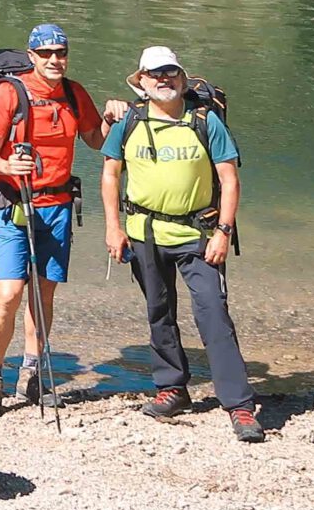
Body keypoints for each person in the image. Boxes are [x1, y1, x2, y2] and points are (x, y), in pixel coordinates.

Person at [102, 46, 263, 443]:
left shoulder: (205, 122)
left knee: (213, 315)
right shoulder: (131, 121)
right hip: (144, 233)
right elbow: (110, 174)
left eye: (171, 73)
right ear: (141, 80)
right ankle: (172, 388)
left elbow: (229, 180)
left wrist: (224, 231)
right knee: (159, 312)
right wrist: (113, 227)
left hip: (198, 235)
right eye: (155, 74)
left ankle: (239, 406)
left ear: (181, 76)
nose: (164, 80)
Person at [0, 22, 100, 415]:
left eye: (60, 52)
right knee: (8, 293)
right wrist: (8, 164)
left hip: (58, 206)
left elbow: (96, 140)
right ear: (31, 56)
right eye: (45, 54)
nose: (54, 60)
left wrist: (118, 116)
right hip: (16, 204)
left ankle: (33, 376)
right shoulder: (9, 94)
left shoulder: (75, 95)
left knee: (43, 297)